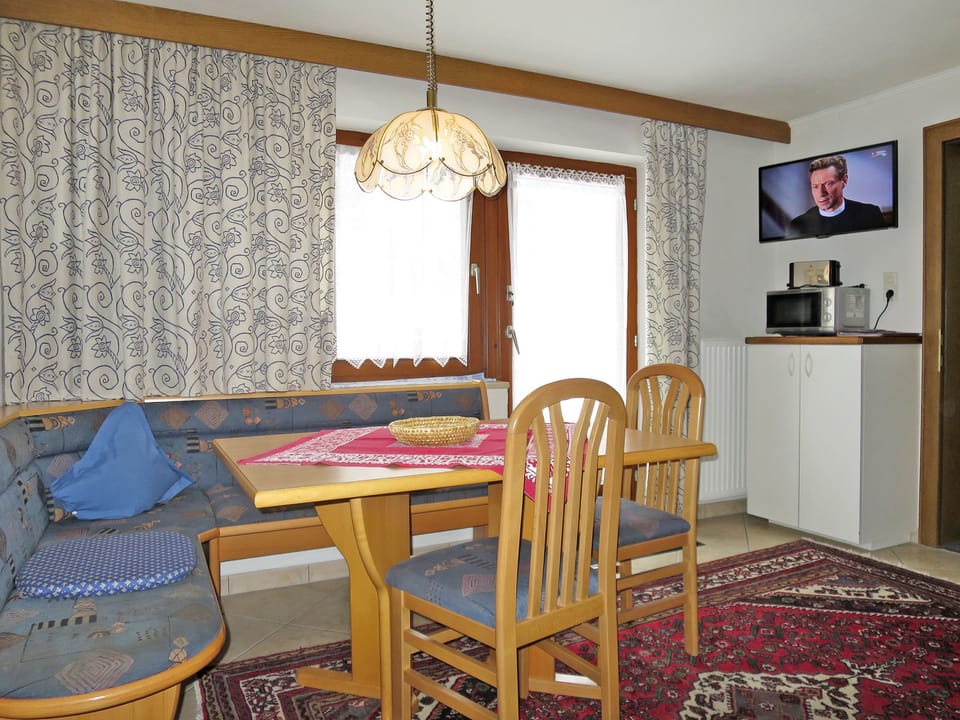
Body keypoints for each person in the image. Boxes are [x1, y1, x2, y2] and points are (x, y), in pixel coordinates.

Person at [787, 154, 886, 237]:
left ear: (844, 180)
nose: (821, 193)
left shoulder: (870, 214)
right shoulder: (798, 224)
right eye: (815, 186)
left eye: (828, 184)